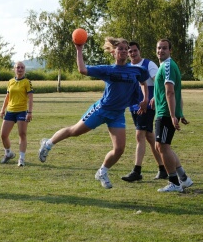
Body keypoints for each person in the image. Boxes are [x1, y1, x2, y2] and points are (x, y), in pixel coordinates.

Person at [38, 37, 149, 189]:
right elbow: (83, 70)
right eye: (120, 49)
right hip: (101, 110)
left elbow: (143, 82)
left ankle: (102, 172)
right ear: (113, 52)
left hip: (117, 114)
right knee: (74, 131)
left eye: (126, 49)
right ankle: (48, 143)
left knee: (119, 149)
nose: (124, 51)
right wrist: (79, 49)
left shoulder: (136, 70)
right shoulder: (108, 70)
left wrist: (145, 99)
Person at [121, 41, 168, 182]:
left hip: (147, 106)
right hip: (134, 106)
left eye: (135, 50)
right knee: (149, 136)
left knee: (139, 135)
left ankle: (137, 171)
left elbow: (159, 81)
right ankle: (163, 169)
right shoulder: (128, 67)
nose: (133, 53)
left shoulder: (148, 64)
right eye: (130, 51)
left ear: (139, 51)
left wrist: (154, 98)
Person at [153, 39, 193, 193]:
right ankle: (183, 178)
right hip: (164, 112)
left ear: (170, 50)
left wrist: (172, 115)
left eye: (164, 48)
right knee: (162, 146)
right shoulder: (165, 65)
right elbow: (176, 93)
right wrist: (179, 113)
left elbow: (170, 92)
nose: (161, 51)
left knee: (162, 147)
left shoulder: (168, 66)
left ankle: (174, 182)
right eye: (159, 48)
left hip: (165, 113)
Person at [0, 61, 34, 167]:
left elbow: (30, 98)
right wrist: (2, 109)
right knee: (3, 135)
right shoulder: (10, 82)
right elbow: (7, 96)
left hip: (22, 111)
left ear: (24, 70)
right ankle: (8, 153)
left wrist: (29, 112)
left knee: (22, 134)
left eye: (22, 67)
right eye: (18, 67)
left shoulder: (27, 82)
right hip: (10, 111)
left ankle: (21, 158)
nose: (20, 69)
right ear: (14, 69)